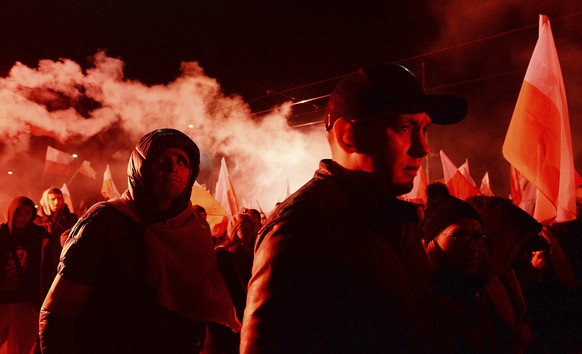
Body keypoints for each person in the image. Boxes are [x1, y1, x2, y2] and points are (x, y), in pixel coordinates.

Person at [240, 64, 467, 353]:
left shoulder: (399, 221)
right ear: (349, 134)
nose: (423, 148)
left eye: (424, 129)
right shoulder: (303, 230)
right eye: (404, 127)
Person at [39, 128, 239, 354]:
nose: (172, 167)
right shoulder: (104, 221)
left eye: (182, 161)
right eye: (162, 159)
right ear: (141, 167)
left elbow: (203, 309)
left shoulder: (194, 229)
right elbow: (58, 312)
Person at [423, 183, 531, 353]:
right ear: (432, 243)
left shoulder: (485, 290)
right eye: (459, 236)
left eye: (478, 236)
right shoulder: (424, 303)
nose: (472, 246)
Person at [205, 212, 257, 353]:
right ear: (233, 231)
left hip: (249, 315)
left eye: (249, 226)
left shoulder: (256, 255)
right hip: (228, 320)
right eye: (242, 227)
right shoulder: (221, 255)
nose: (247, 229)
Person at [0, 196, 46, 354]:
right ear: (12, 212)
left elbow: (45, 268)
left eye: (27, 214)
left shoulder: (38, 236)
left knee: (20, 347)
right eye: (19, 213)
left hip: (25, 300)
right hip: (2, 299)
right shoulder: (1, 234)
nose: (22, 218)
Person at [35, 187, 78, 297]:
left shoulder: (71, 219)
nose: (57, 202)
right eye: (53, 199)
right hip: (45, 266)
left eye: (59, 198)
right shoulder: (37, 221)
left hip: (65, 263)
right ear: (46, 200)